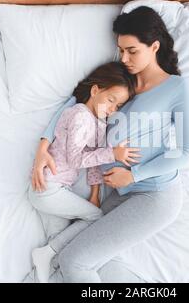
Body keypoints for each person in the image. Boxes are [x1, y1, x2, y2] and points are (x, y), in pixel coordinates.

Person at [31, 6, 189, 282]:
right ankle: (45, 255)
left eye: (132, 51)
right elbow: (77, 101)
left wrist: (133, 174)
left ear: (154, 46)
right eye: (121, 50)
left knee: (74, 261)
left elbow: (185, 152)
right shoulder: (123, 81)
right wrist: (43, 145)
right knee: (82, 257)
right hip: (118, 194)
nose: (125, 58)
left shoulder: (177, 89)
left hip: (155, 195)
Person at [28, 62, 139, 283]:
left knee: (60, 243)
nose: (112, 109)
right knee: (95, 218)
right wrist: (112, 154)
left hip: (57, 190)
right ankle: (45, 252)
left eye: (118, 106)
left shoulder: (98, 124)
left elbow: (93, 165)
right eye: (110, 100)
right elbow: (75, 158)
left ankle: (47, 266)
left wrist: (96, 193)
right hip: (48, 188)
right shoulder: (79, 115)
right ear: (95, 90)